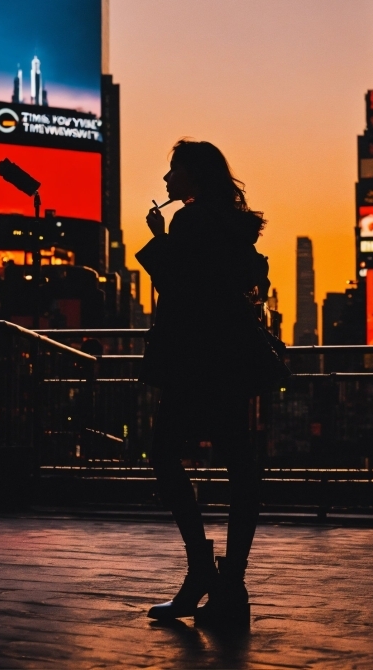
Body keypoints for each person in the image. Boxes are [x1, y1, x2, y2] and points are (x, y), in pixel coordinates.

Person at [136, 139, 267, 628]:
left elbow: (180, 285)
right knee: (240, 466)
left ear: (193, 175)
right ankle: (231, 584)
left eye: (174, 169)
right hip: (232, 360)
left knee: (164, 452)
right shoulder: (233, 224)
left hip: (194, 362)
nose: (167, 179)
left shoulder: (188, 221)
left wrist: (159, 238)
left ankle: (200, 569)